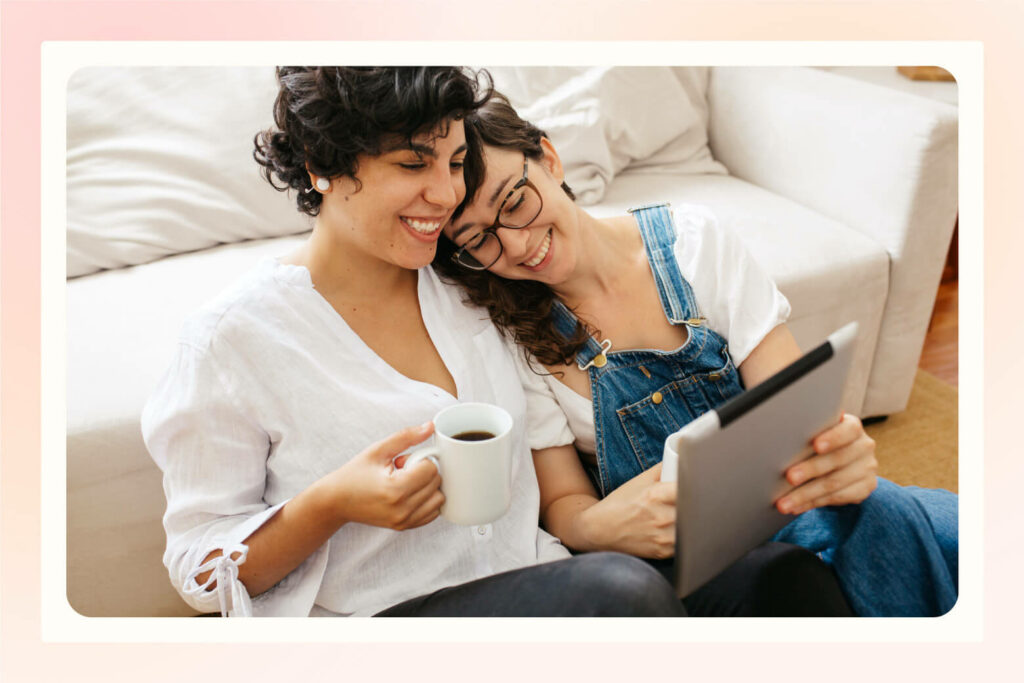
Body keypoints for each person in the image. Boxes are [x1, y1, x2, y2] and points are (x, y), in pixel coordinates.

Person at [141, 67, 850, 618]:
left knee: (784, 578)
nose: (447, 194)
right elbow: (199, 569)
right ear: (325, 166)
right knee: (622, 596)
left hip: (543, 579)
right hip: (385, 621)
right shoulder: (233, 340)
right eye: (414, 165)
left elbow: (590, 252)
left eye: (453, 163)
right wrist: (332, 504)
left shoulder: (472, 283)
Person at [434, 93, 959, 617]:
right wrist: (599, 527)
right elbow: (562, 505)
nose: (519, 245)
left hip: (786, 502)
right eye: (480, 239)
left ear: (548, 159)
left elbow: (798, 407)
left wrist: (838, 447)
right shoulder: (516, 337)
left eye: (515, 202)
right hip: (675, 551)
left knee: (960, 532)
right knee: (889, 528)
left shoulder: (694, 243)